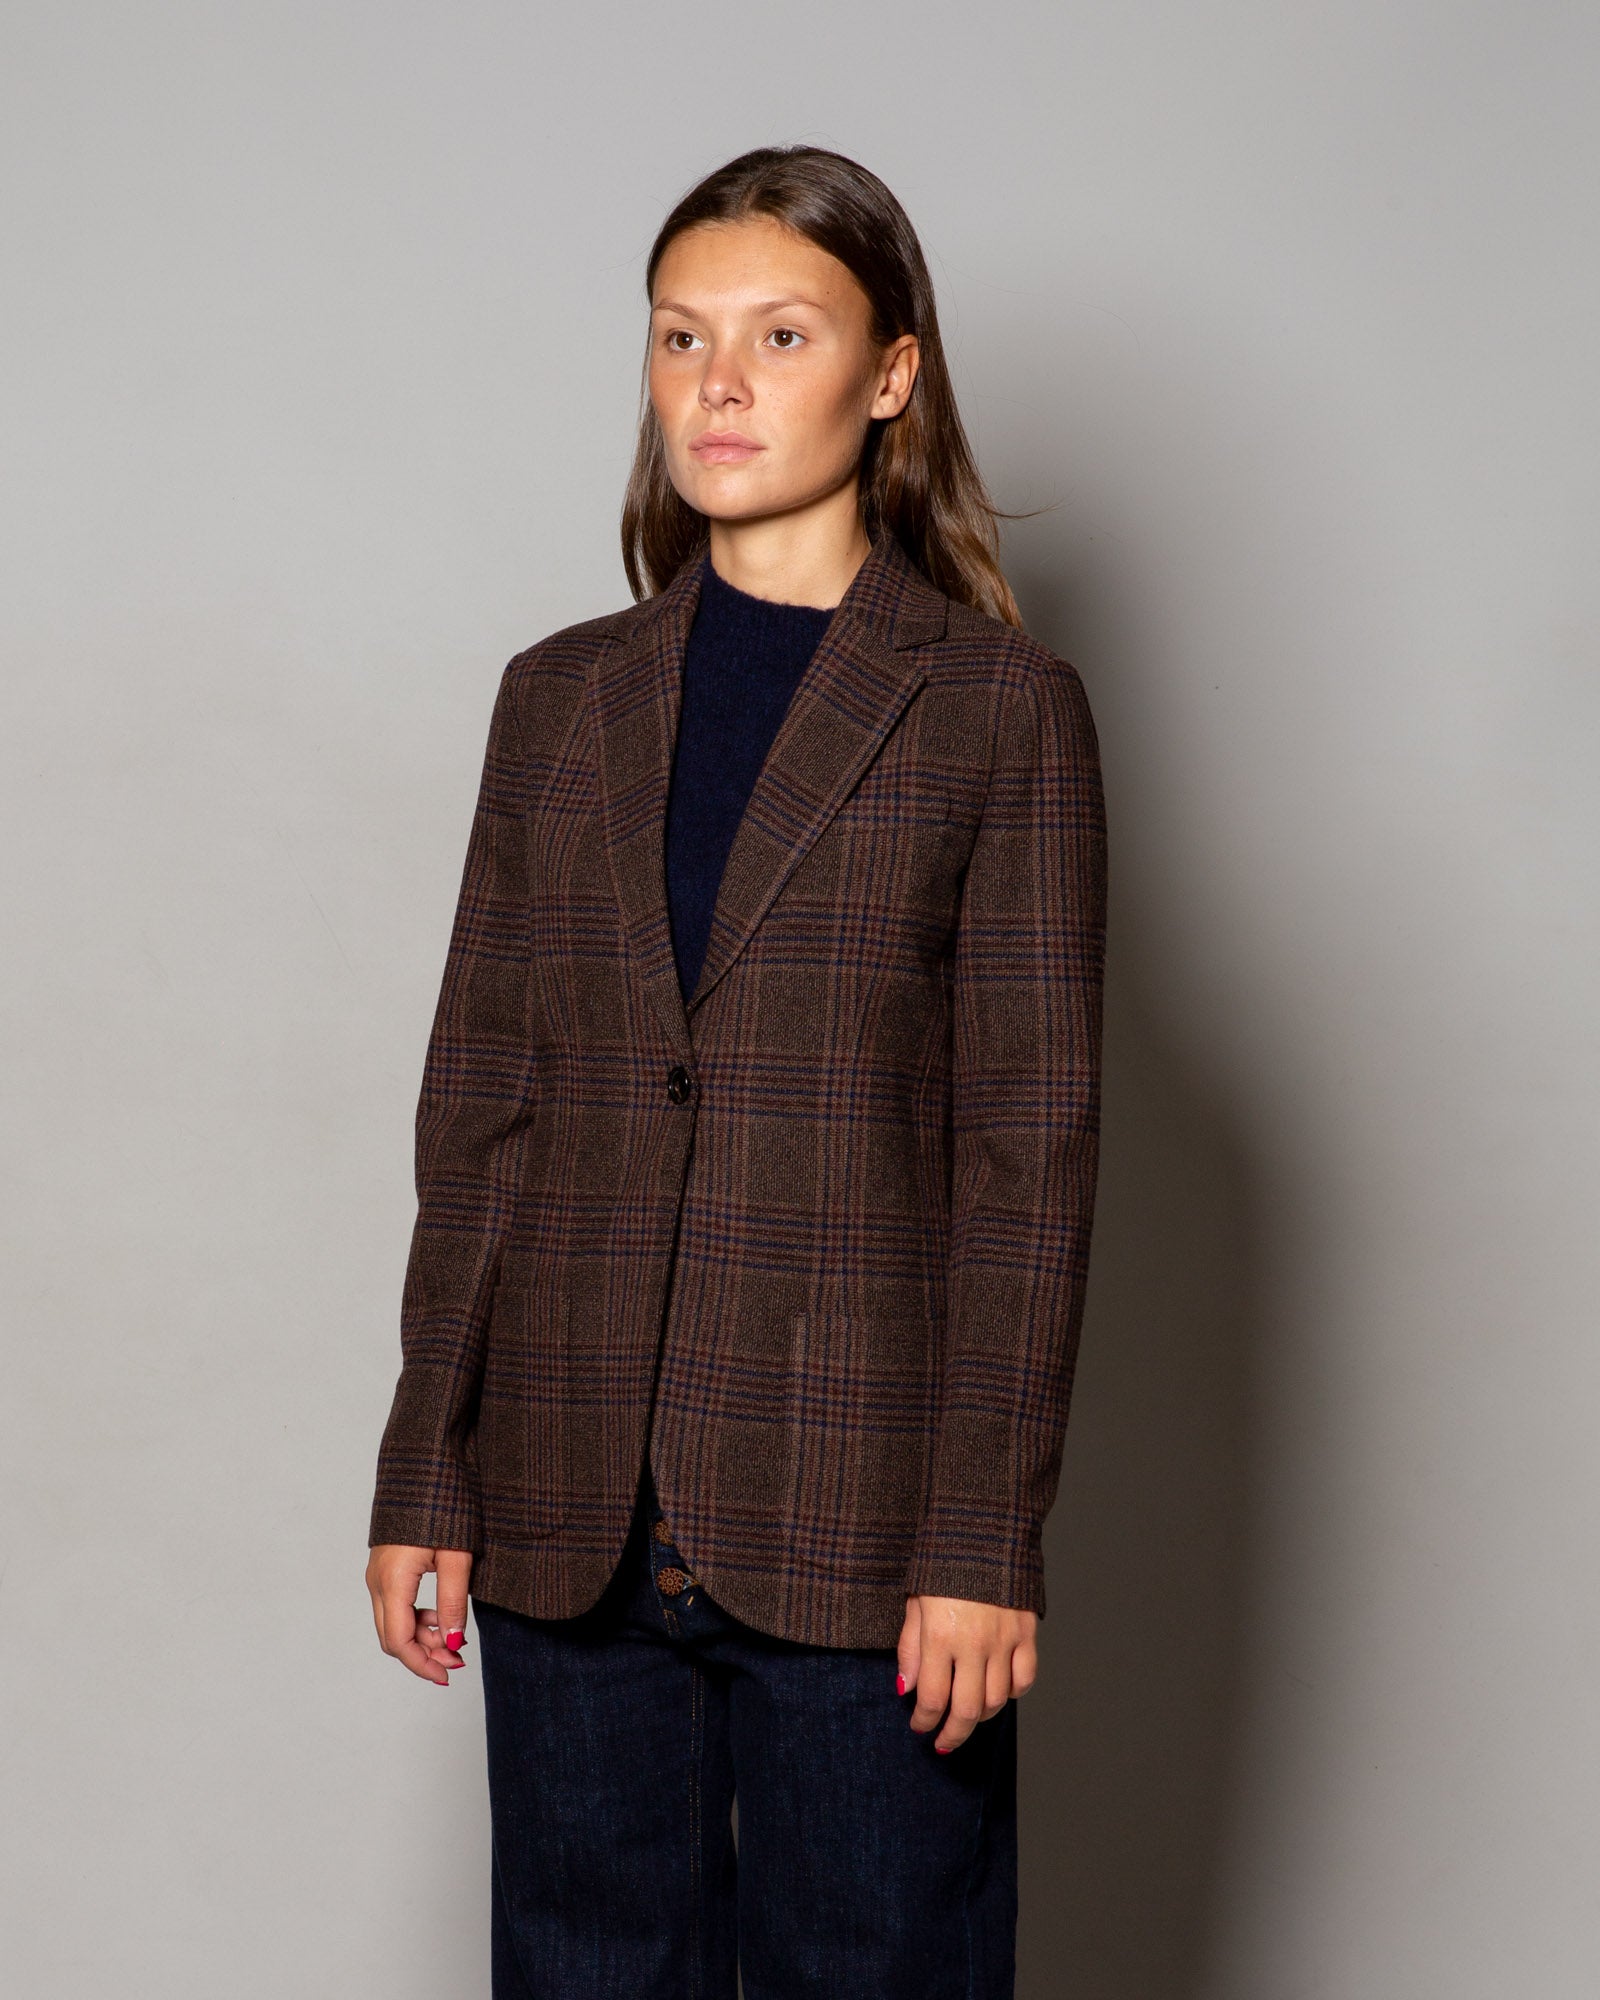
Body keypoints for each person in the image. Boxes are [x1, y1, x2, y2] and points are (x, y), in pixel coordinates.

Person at [365, 143, 1108, 1999]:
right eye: (681, 335)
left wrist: (982, 1535)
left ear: (890, 374)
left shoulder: (996, 713)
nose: (719, 381)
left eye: (782, 335)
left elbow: (1028, 1158)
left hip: (866, 1516)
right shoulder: (560, 698)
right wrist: (426, 1462)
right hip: (567, 1499)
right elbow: (484, 1109)